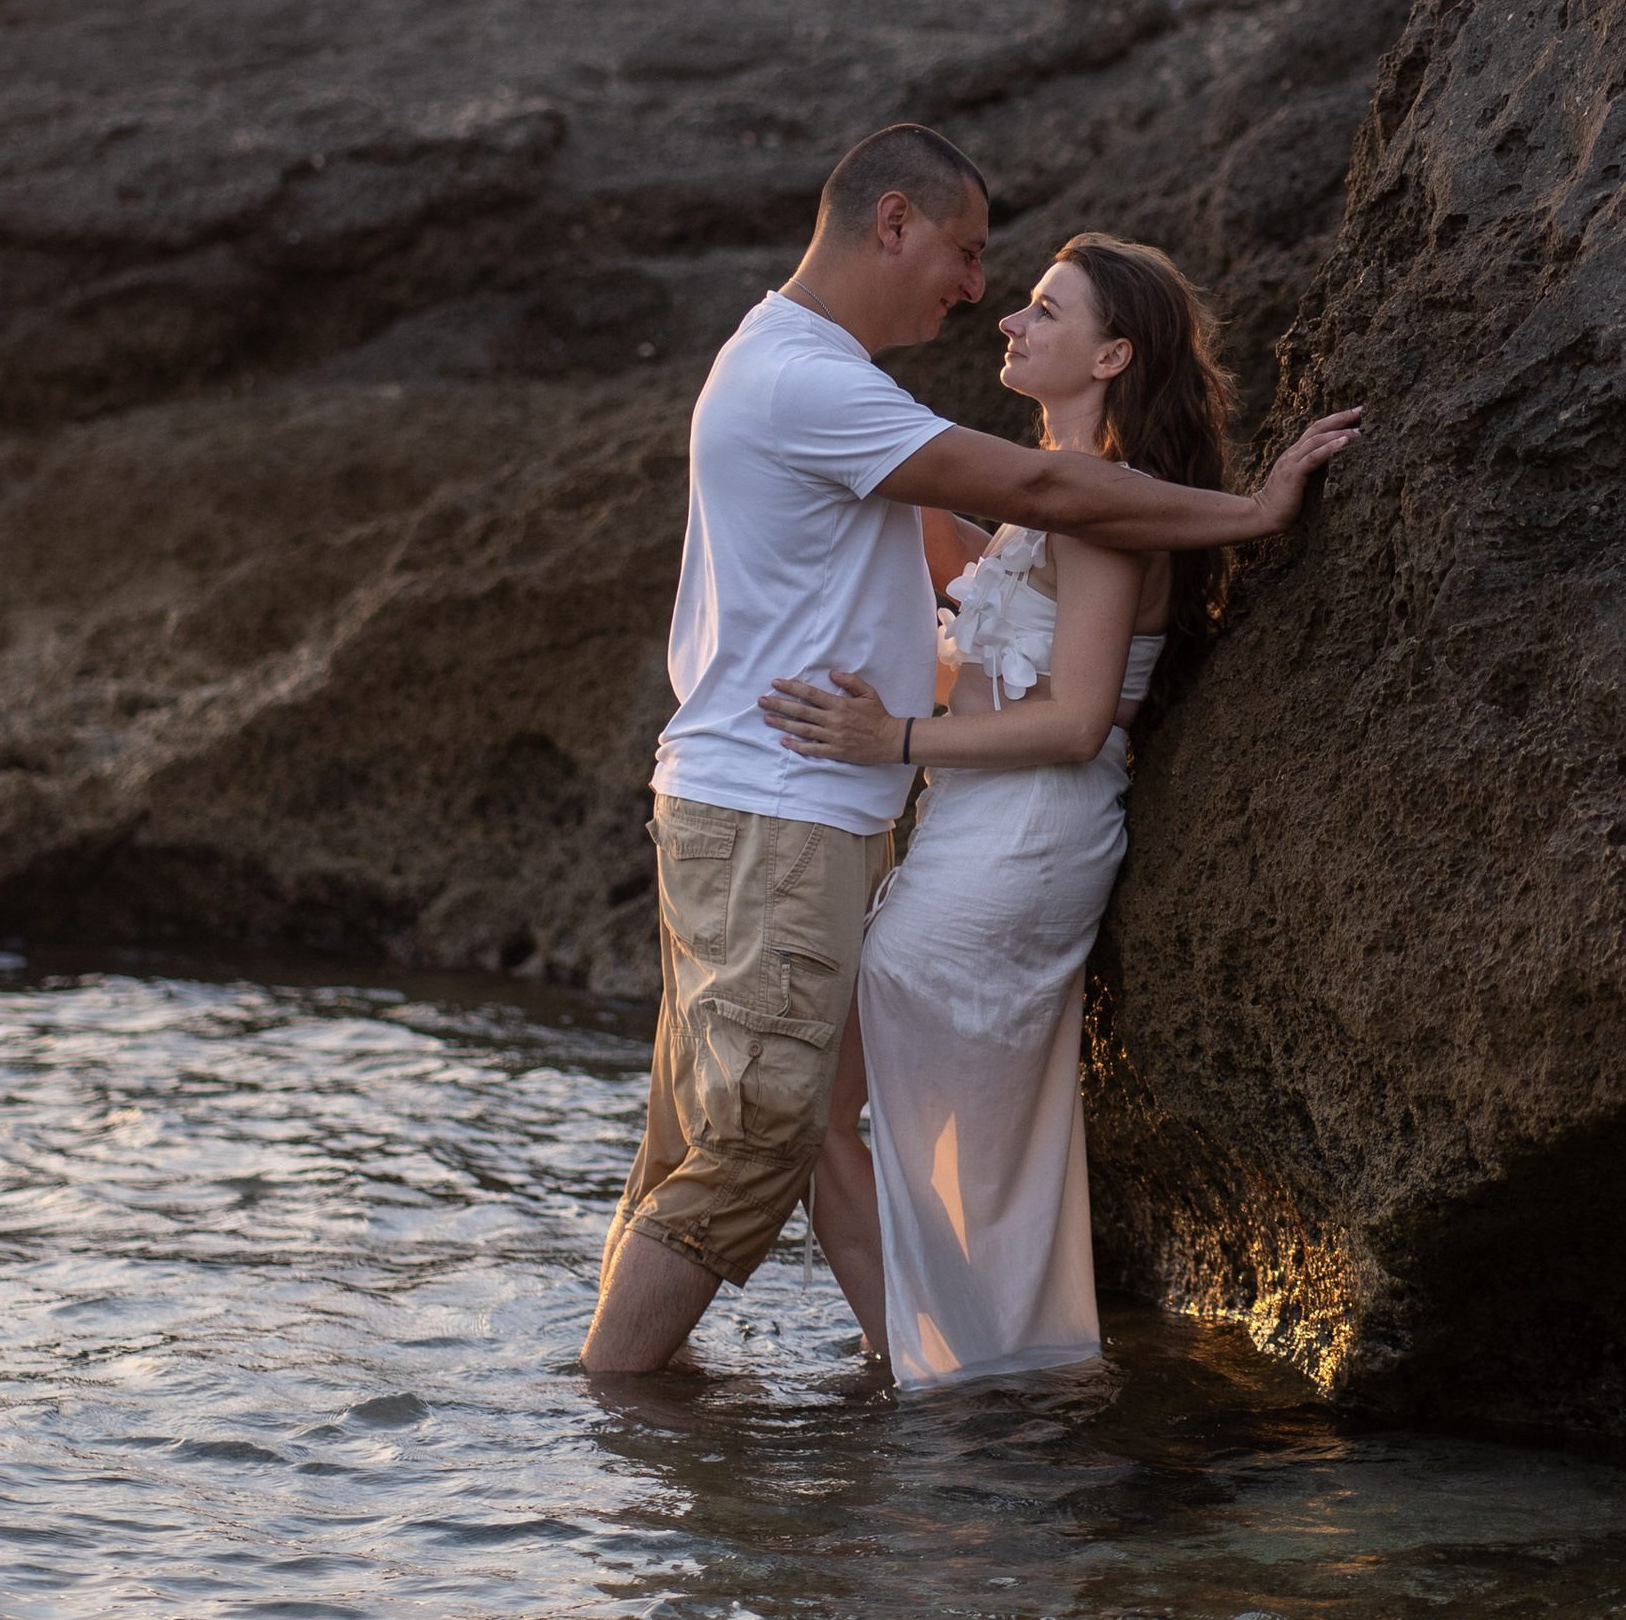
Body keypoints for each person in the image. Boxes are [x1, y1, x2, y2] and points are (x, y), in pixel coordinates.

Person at [579, 127, 1360, 1376]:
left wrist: (897, 726)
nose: (981, 298)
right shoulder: (817, 383)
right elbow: (1032, 521)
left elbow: (1046, 645)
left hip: (920, 824)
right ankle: (885, 1375)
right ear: (891, 222)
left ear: (1111, 355)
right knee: (769, 1133)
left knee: (765, 1130)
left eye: (1026, 294)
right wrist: (1250, 514)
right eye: (968, 255)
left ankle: (917, 1374)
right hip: (807, 814)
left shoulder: (809, 377)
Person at [764, 236, 1237, 1387]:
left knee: (936, 1141)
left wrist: (897, 739)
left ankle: (956, 1383)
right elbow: (986, 618)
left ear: (1112, 354)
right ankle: (929, 1366)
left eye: (1042, 311)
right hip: (971, 833)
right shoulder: (1047, 509)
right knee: (829, 1113)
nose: (1010, 326)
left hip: (1025, 841)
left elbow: (1077, 719)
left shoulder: (1098, 513)